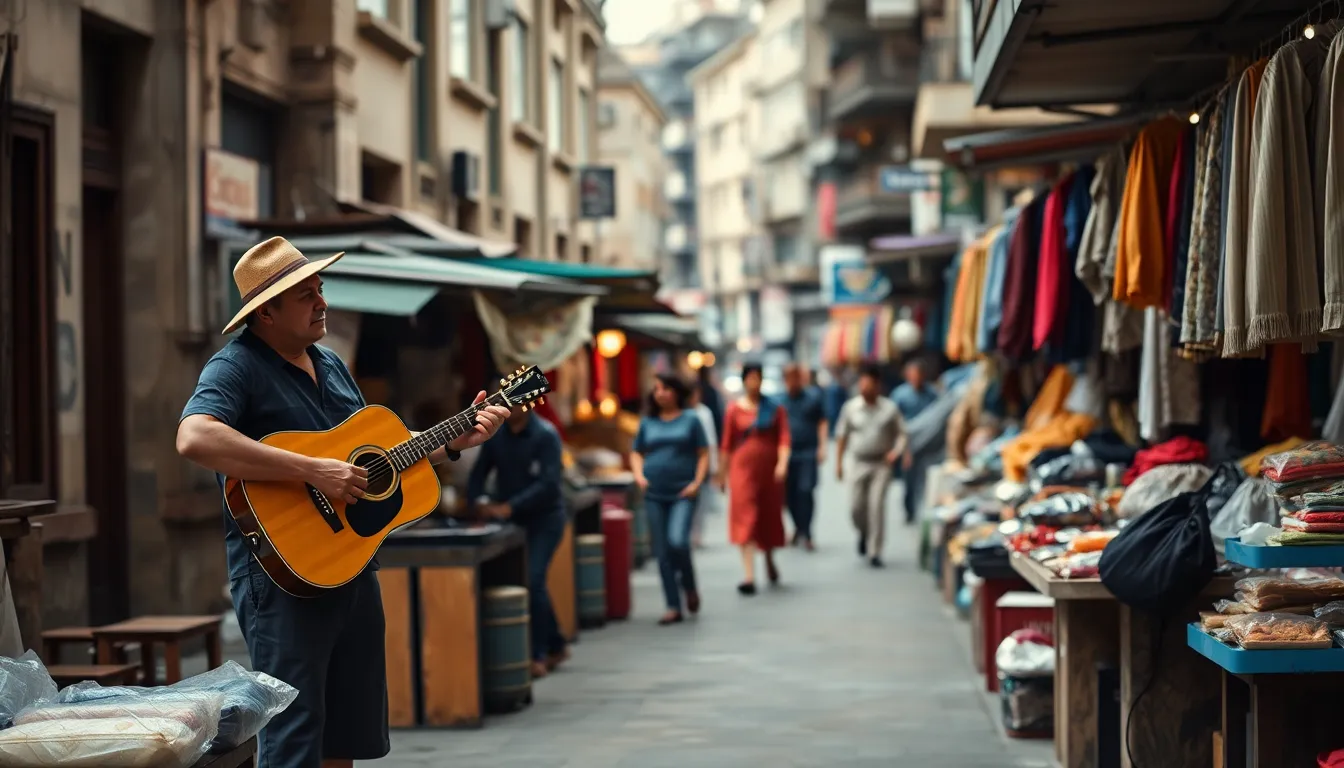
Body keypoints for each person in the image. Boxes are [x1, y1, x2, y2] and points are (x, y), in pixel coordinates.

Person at [176, 237, 509, 768]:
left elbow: (369, 460)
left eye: (320, 289)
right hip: (282, 579)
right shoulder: (235, 367)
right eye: (305, 295)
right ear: (265, 312)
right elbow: (194, 438)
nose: (321, 302)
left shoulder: (330, 364)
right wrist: (311, 470)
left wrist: (451, 441)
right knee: (294, 736)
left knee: (346, 735)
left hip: (351, 568)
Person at [466, 405, 569, 678]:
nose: (508, 409)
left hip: (545, 519)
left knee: (533, 579)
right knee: (520, 580)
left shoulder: (546, 435)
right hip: (510, 521)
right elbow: (478, 474)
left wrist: (510, 507)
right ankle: (557, 642)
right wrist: (477, 501)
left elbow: (549, 484)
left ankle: (539, 654)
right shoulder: (496, 436)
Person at [630, 373, 710, 625]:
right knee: (662, 551)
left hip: (683, 492)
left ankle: (689, 584)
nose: (660, 393)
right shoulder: (648, 422)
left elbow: (704, 453)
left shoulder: (691, 419)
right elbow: (636, 453)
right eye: (656, 389)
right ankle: (673, 605)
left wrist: (697, 483)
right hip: (654, 493)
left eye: (665, 388)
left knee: (678, 541)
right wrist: (640, 476)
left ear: (676, 391)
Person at [719, 364, 790, 594]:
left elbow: (784, 439)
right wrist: (722, 473)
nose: (754, 382)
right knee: (744, 516)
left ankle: (769, 557)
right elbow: (726, 445)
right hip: (742, 470)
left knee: (768, 515)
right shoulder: (733, 410)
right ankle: (749, 574)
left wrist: (782, 464)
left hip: (768, 471)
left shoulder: (775, 409)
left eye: (757, 378)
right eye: (750, 378)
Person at [835, 365, 908, 568]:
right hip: (858, 461)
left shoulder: (889, 408)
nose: (864, 387)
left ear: (878, 386)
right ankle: (864, 533)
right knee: (856, 507)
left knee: (876, 506)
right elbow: (842, 435)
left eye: (869, 383)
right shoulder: (851, 408)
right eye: (862, 383)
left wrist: (896, 452)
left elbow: (902, 433)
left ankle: (875, 550)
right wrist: (838, 463)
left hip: (881, 464)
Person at [781, 363, 827, 550]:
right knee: (788, 495)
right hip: (787, 454)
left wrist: (822, 446)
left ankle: (807, 532)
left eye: (797, 377)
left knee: (805, 491)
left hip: (807, 452)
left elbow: (822, 422)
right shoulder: (779, 401)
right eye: (790, 378)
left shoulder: (813, 398)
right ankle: (798, 527)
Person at [889, 358, 939, 524]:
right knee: (909, 480)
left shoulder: (932, 394)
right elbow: (895, 423)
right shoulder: (900, 395)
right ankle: (909, 510)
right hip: (908, 443)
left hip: (928, 444)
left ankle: (925, 509)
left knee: (925, 479)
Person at [688, 383, 721, 550]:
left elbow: (711, 441)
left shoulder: (704, 413)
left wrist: (714, 466)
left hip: (703, 461)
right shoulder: (683, 413)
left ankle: (697, 534)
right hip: (686, 464)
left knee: (701, 501)